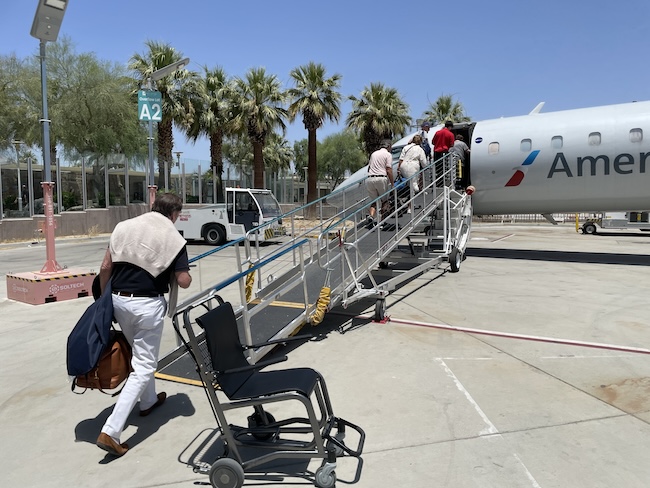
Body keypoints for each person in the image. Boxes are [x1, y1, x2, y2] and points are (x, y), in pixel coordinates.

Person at [96, 193, 192, 457]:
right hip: (147, 306)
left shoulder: (123, 227)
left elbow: (105, 267)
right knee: (144, 365)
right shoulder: (174, 238)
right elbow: (182, 281)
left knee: (140, 355)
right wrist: (186, 275)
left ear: (153, 207)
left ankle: (148, 401)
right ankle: (112, 431)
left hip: (118, 301)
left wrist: (105, 300)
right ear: (174, 214)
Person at [365, 139, 394, 227]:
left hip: (370, 178)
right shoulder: (388, 155)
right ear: (388, 146)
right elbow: (388, 169)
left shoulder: (374, 154)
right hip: (381, 178)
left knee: (374, 201)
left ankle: (371, 216)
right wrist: (392, 183)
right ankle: (382, 222)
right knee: (384, 201)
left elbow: (369, 168)